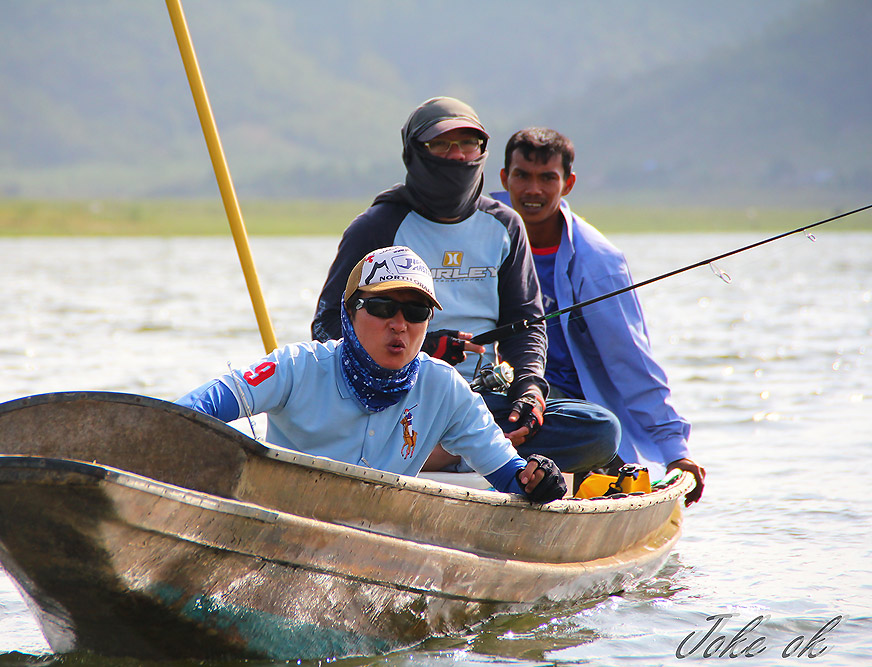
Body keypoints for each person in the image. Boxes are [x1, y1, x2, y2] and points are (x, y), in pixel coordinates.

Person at [311, 97, 619, 474]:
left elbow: (527, 324)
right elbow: (327, 327)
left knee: (600, 431)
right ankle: (470, 449)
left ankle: (446, 449)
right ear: (414, 152)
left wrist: (529, 389)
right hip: (398, 397)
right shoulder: (377, 227)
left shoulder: (505, 226)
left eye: (468, 144)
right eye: (441, 145)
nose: (457, 156)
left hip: (482, 400)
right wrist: (420, 346)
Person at [178, 245, 567, 504]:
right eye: (382, 307)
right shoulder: (296, 366)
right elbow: (195, 409)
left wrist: (538, 477)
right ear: (348, 314)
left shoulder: (445, 388)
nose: (399, 325)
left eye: (416, 314)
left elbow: (509, 474)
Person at [494, 127, 705, 505]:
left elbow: (631, 361)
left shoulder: (597, 262)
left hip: (568, 408)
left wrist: (675, 449)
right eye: (522, 176)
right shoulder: (480, 231)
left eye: (548, 178)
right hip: (497, 389)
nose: (533, 191)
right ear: (503, 179)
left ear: (568, 184)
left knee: (597, 431)